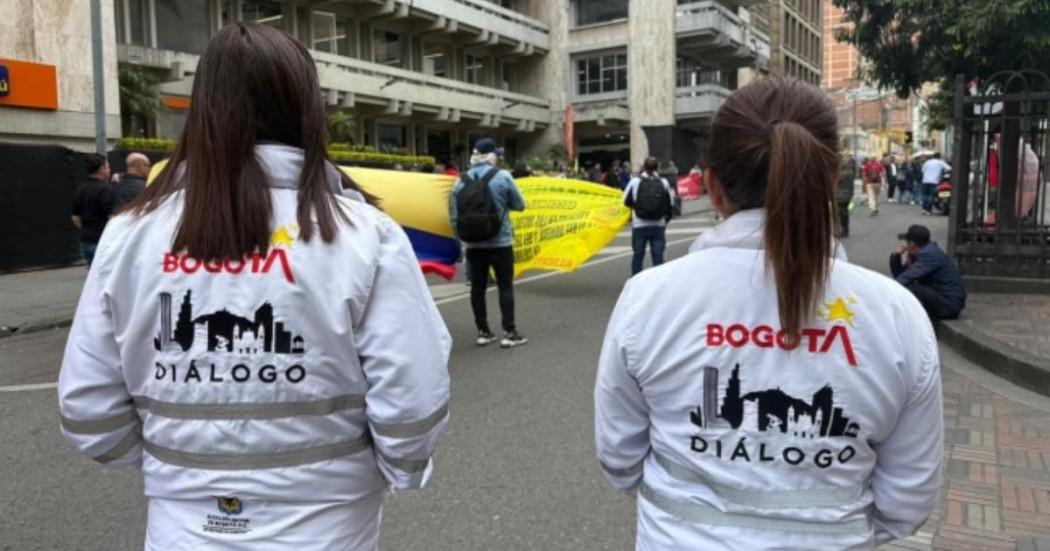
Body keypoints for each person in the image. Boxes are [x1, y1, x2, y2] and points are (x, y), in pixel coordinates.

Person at [57, 24, 451, 551]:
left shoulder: (129, 234)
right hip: (328, 523)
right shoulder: (365, 234)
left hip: (181, 523)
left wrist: (177, 466)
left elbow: (87, 406)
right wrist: (395, 470)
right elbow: (412, 395)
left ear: (202, 109)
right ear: (305, 109)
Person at [595, 77, 943, 550]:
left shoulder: (648, 298)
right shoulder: (897, 313)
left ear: (713, 185)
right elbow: (907, 502)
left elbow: (620, 459)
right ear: (827, 179)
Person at [450, 137, 528, 348]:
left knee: (477, 288)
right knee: (504, 285)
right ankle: (509, 332)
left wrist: (464, 239)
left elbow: (454, 217)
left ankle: (483, 332)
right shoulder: (502, 176)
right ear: (492, 155)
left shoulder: (460, 180)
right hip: (500, 242)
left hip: (473, 246)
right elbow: (520, 205)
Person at [890, 224, 966, 320]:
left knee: (914, 288)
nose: (905, 245)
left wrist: (888, 291)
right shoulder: (920, 254)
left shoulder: (930, 255)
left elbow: (908, 277)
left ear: (912, 244)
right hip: (941, 298)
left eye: (907, 242)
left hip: (950, 305)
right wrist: (895, 256)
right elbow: (901, 275)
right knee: (910, 286)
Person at [623, 157, 674, 275]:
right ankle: (658, 284)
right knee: (658, 258)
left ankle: (635, 283)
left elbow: (625, 201)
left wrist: (636, 209)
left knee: (638, 257)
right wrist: (665, 220)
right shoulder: (663, 182)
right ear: (657, 168)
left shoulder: (635, 181)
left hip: (639, 225)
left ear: (644, 167)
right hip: (658, 225)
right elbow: (669, 203)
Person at [70, 153, 113, 267]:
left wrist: (87, 228)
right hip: (102, 241)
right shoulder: (105, 189)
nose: (110, 169)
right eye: (108, 167)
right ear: (101, 169)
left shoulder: (80, 189)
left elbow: (75, 218)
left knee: (93, 278)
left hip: (85, 241)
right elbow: (111, 216)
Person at [836, 157, 855, 238]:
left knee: (840, 214)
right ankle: (846, 230)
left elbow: (837, 184)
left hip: (839, 196)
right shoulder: (851, 172)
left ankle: (842, 230)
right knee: (845, 214)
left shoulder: (840, 174)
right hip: (848, 195)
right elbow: (851, 185)